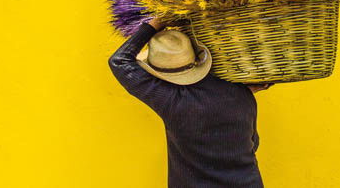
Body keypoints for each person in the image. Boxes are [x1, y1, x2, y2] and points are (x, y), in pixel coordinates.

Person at [108, 17, 273, 188]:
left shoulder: (170, 101)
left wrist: (155, 24)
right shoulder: (242, 93)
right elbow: (253, 143)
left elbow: (119, 61)